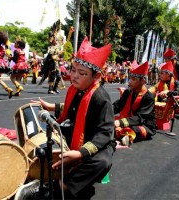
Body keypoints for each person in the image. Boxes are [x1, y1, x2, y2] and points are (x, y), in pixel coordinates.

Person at [15, 37, 116, 200]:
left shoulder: (101, 98)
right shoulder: (77, 89)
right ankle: (37, 174)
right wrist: (52, 107)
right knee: (48, 138)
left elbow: (105, 134)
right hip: (76, 131)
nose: (74, 76)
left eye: (81, 73)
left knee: (102, 162)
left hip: (96, 142)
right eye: (73, 69)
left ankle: (60, 186)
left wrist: (81, 153)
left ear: (96, 76)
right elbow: (73, 109)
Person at [113, 61, 156, 147]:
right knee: (107, 122)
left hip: (143, 124)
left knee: (131, 130)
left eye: (133, 79)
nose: (129, 82)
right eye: (130, 78)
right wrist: (103, 111)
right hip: (127, 120)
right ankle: (123, 135)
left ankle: (125, 135)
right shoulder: (128, 92)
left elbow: (141, 118)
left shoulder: (149, 97)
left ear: (143, 81)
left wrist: (120, 122)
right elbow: (117, 106)